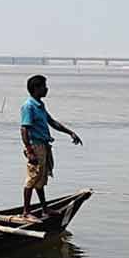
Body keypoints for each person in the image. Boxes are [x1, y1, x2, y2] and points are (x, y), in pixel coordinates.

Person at [20, 74, 82, 217]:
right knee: (32, 178)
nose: (46, 89)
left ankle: (44, 208)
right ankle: (26, 212)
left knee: (41, 178)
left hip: (43, 145)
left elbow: (52, 122)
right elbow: (24, 129)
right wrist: (30, 151)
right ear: (36, 88)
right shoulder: (29, 106)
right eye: (44, 86)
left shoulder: (40, 106)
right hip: (35, 146)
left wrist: (70, 132)